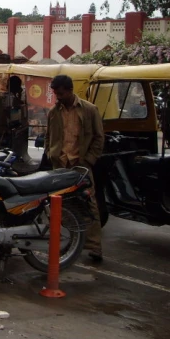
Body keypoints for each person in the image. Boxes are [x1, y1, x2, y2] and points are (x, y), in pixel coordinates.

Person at [45, 74, 105, 262]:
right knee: (60, 206)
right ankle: (68, 244)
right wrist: (50, 153)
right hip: (60, 164)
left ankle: (94, 246)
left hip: (81, 166)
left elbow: (99, 138)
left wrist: (88, 160)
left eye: (60, 93)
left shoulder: (89, 110)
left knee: (89, 204)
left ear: (70, 90)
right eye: (55, 93)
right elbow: (49, 137)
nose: (58, 97)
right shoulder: (53, 112)